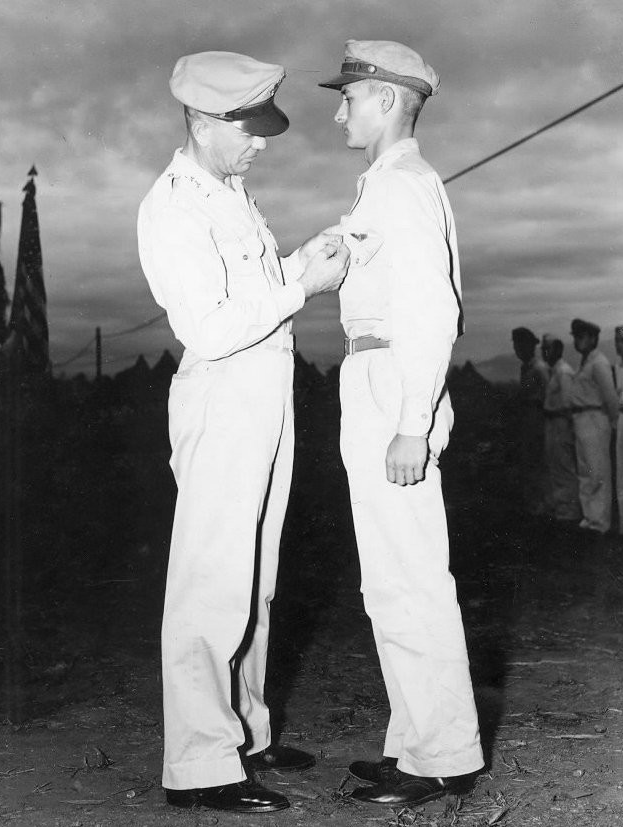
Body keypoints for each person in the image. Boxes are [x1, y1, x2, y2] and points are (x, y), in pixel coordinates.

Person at [137, 51, 350, 814]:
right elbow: (209, 326)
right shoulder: (174, 206)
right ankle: (199, 765)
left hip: (263, 396)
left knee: (255, 579)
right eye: (248, 129)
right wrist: (301, 286)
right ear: (200, 120)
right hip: (224, 397)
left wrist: (301, 260)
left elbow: (253, 292)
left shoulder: (229, 194)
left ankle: (247, 734)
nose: (261, 143)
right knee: (211, 584)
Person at [318, 40, 483, 807]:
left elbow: (432, 309)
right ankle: (416, 739)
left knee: (411, 576)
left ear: (385, 99)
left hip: (394, 383)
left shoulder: (404, 184)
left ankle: (443, 755)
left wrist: (413, 420)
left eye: (348, 96)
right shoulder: (384, 183)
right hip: (376, 376)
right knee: (389, 578)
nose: (338, 109)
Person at [569, 318, 619, 534]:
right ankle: (590, 517)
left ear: (592, 339)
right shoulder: (586, 361)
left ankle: (600, 521)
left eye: (581, 337)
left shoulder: (598, 363)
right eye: (576, 337)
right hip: (581, 420)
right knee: (585, 470)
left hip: (595, 418)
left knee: (597, 471)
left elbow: (611, 397)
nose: (577, 342)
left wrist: (614, 423)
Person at [541, 334, 581, 523]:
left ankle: (570, 511)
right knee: (556, 466)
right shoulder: (555, 371)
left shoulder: (564, 372)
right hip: (553, 424)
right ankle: (562, 508)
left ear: (557, 349)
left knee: (564, 467)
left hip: (561, 424)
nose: (544, 352)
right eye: (543, 348)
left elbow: (567, 402)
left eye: (547, 348)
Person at [512, 326, 550, 516]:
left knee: (538, 460)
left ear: (531, 346)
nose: (518, 349)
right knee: (528, 460)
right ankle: (533, 505)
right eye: (516, 345)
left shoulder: (539, 368)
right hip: (527, 420)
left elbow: (549, 396)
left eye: (522, 345)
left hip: (538, 419)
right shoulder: (525, 368)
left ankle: (542, 506)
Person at [614, 324, 623, 536]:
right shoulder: (617, 367)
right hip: (622, 419)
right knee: (622, 472)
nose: (620, 345)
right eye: (618, 341)